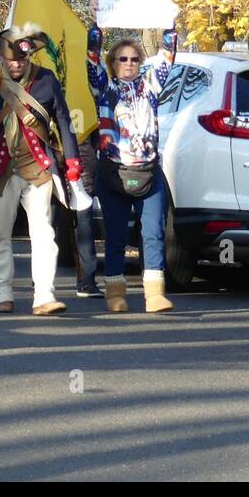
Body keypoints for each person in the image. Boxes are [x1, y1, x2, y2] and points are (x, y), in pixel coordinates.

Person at [0, 24, 82, 316]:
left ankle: (44, 295)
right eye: (11, 61)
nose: (16, 66)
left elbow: (63, 122)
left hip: (37, 167)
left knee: (44, 234)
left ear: (29, 58)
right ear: (2, 59)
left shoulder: (46, 80)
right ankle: (3, 291)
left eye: (21, 61)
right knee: (0, 234)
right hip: (1, 169)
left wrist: (73, 164)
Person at [88, 26, 177, 313]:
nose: (129, 64)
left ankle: (154, 294)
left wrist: (170, 25)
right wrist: (95, 24)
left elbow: (167, 57)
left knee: (153, 232)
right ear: (113, 63)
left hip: (148, 172)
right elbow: (92, 61)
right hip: (114, 171)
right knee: (115, 235)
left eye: (134, 59)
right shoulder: (105, 88)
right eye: (122, 59)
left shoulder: (150, 87)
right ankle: (115, 292)